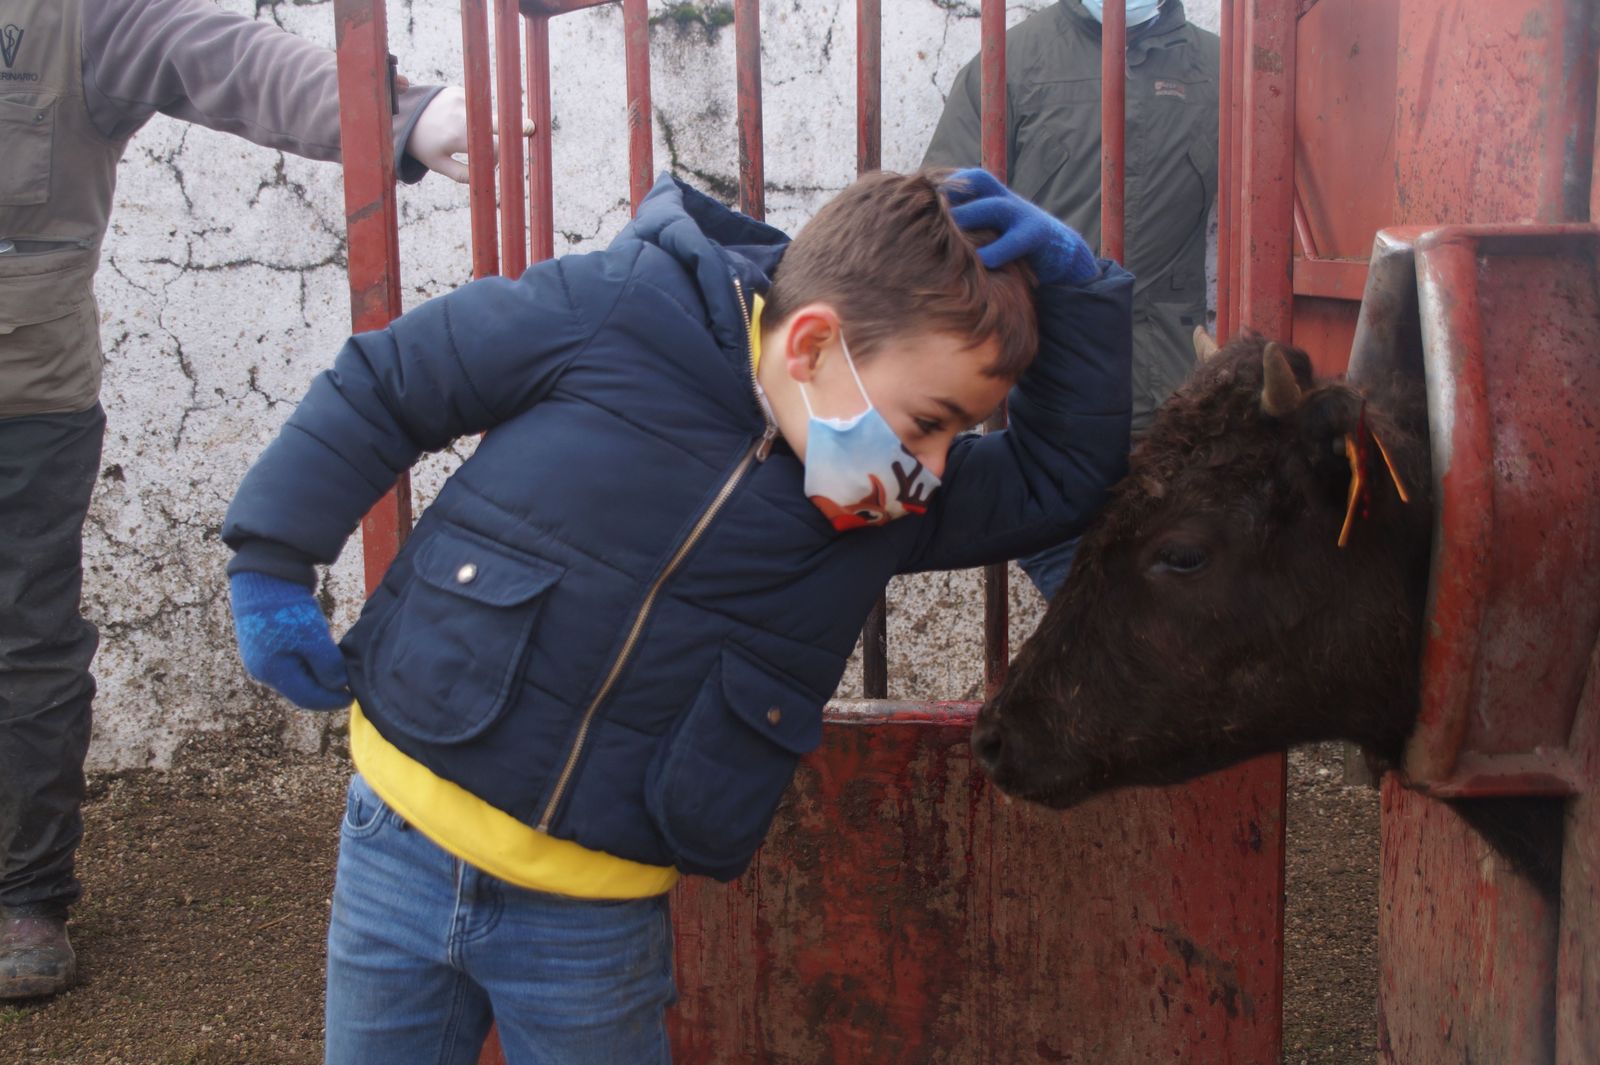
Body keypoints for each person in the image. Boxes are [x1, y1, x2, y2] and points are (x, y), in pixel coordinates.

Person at [222, 166, 1131, 1063]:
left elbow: (1060, 479)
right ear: (811, 347)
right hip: (395, 846)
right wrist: (271, 560)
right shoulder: (616, 309)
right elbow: (390, 380)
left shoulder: (885, 506)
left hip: (591, 923)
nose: (932, 464)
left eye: (955, 436)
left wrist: (1077, 288)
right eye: (929, 420)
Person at [0, 0, 497, 1000]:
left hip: (22, 387)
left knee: (22, 635)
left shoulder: (68, 18)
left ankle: (23, 894)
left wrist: (395, 114)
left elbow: (217, 60)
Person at [922, 0, 1219, 597]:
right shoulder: (1011, 63)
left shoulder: (1221, 70)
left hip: (1178, 415)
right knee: (1094, 618)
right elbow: (942, 224)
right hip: (1046, 408)